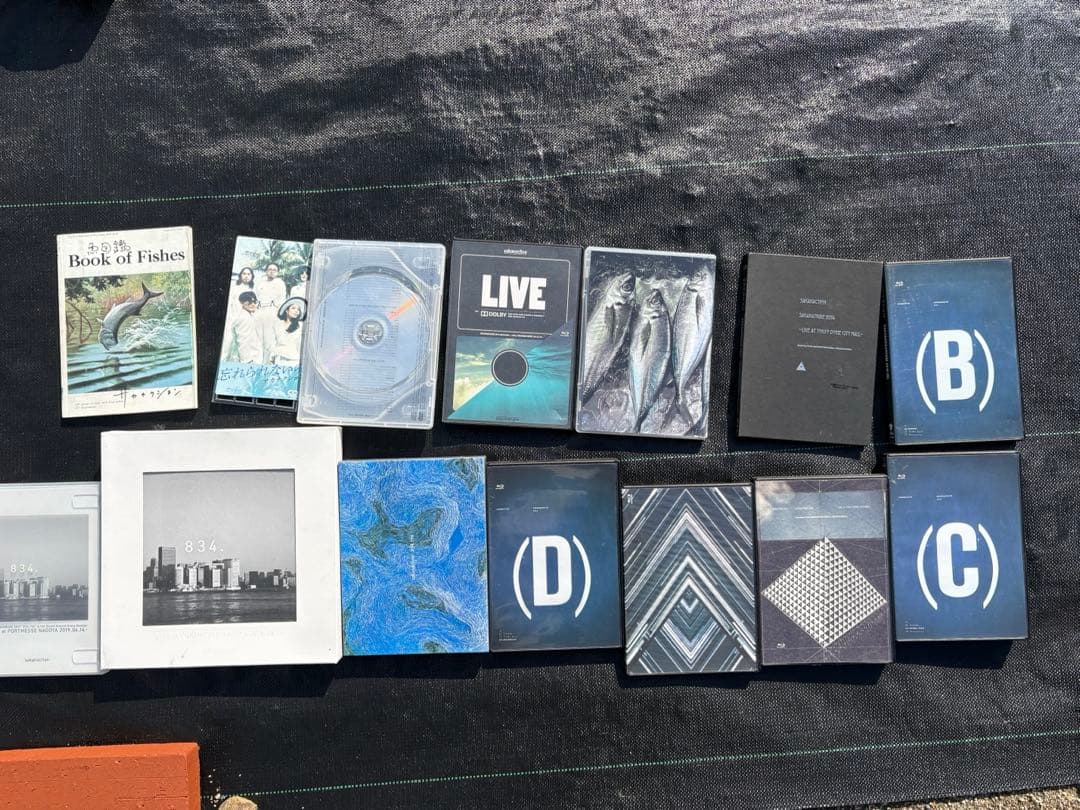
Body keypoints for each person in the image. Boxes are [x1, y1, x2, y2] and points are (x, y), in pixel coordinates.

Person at [255, 264, 287, 355]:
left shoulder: (280, 283)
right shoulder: (260, 283)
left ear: (277, 272)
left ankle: (267, 360)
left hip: (272, 311)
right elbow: (256, 296)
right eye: (270, 269)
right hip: (259, 311)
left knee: (269, 339)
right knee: (257, 338)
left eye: (274, 270)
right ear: (266, 271)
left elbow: (282, 299)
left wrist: (277, 313)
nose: (272, 271)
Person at [227, 291, 263, 363]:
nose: (252, 304)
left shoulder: (248, 315)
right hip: (248, 359)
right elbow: (243, 341)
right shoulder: (244, 318)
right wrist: (247, 360)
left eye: (254, 302)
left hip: (252, 357)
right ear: (242, 303)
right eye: (248, 303)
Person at [269, 297, 306, 366]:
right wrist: (271, 357)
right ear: (286, 310)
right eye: (293, 308)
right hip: (278, 359)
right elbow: (273, 342)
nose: (296, 311)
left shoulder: (300, 326)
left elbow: (301, 345)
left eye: (298, 309)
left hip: (294, 360)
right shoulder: (278, 324)